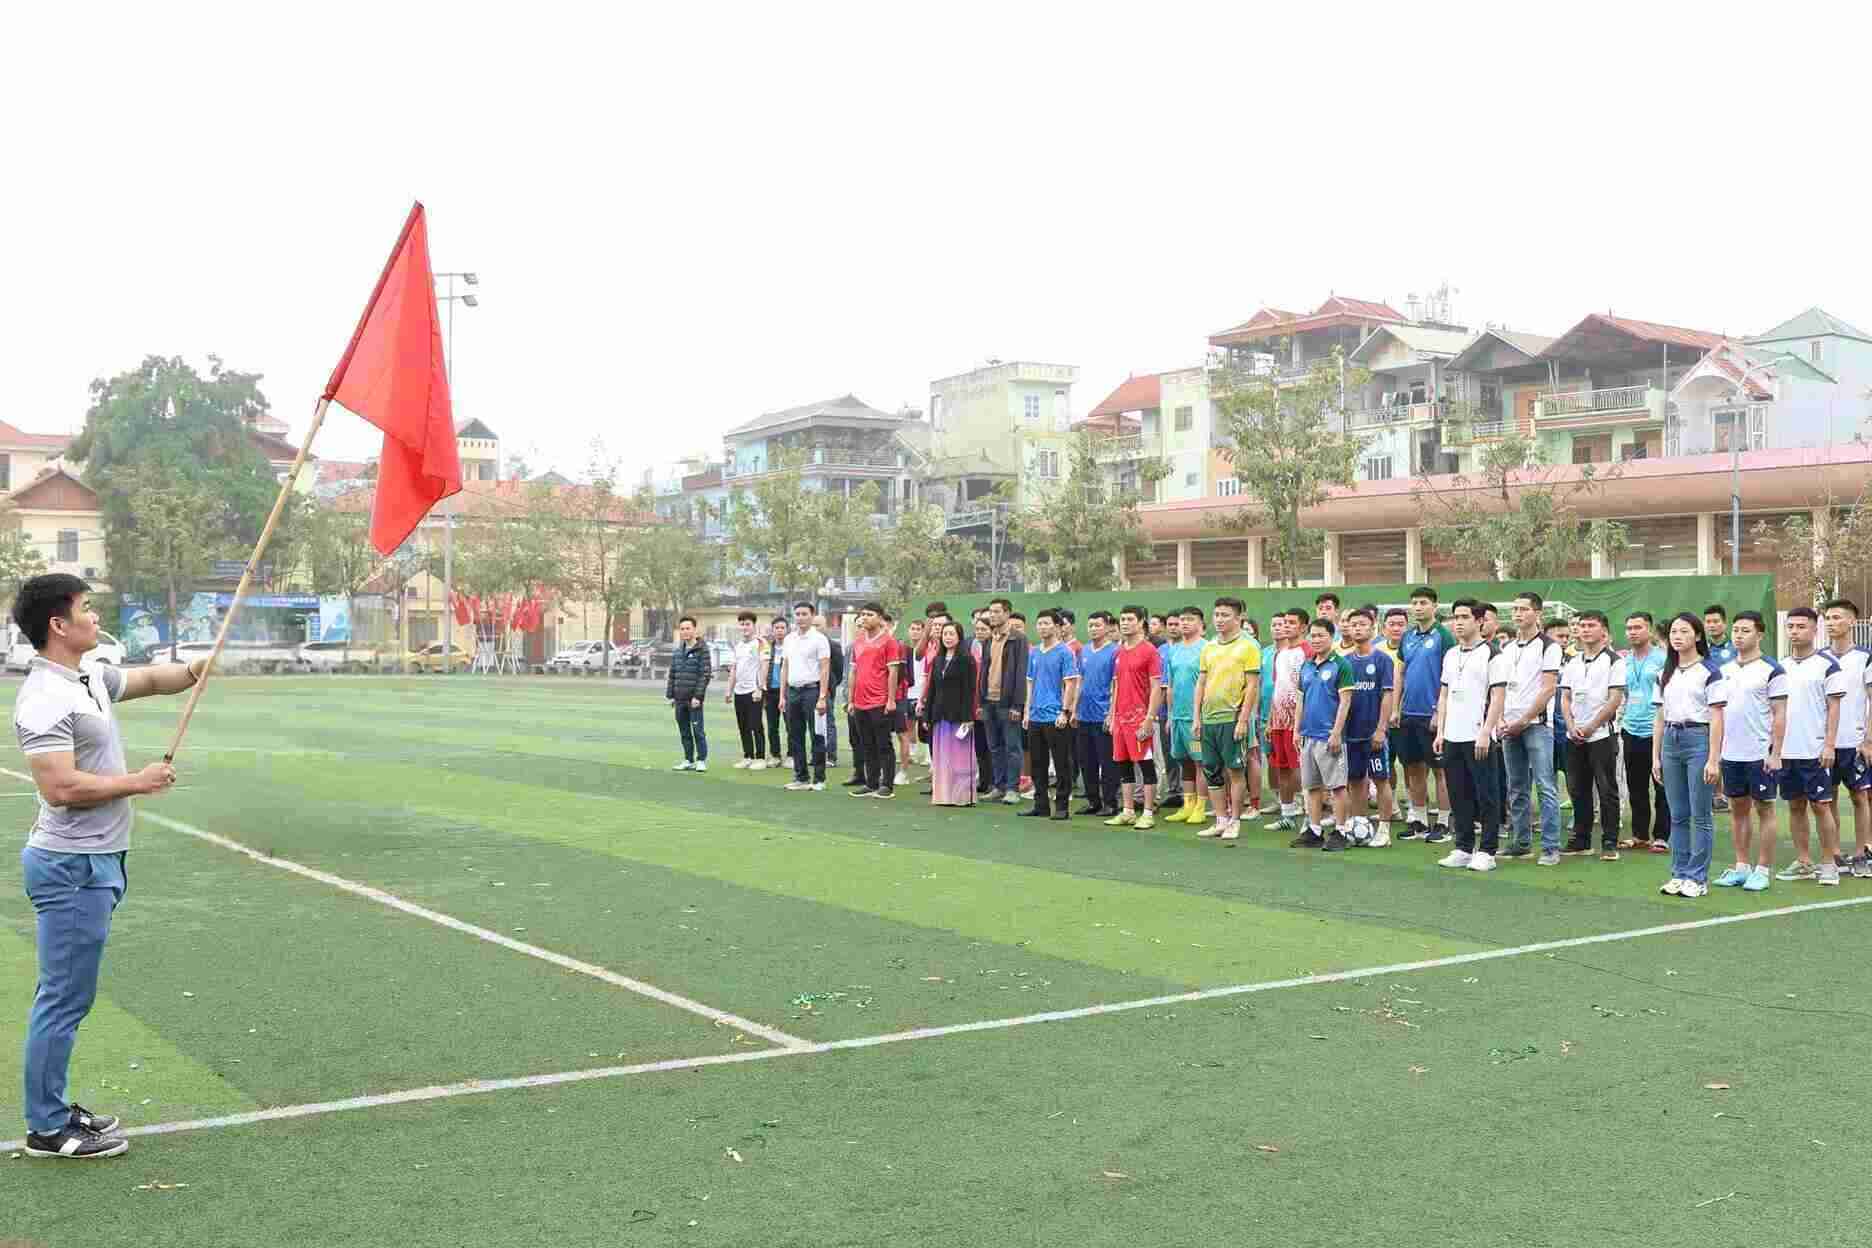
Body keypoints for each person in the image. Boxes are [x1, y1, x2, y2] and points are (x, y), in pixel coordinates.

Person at [13, 573, 208, 1160]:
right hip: (71, 866)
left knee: (66, 994)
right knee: (63, 999)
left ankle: (53, 1108)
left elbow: (149, 679)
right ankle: (48, 1127)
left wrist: (196, 668)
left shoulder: (88, 675)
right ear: (58, 624)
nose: (95, 617)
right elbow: (61, 788)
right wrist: (137, 782)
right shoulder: (44, 696)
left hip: (96, 861)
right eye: (86, 608)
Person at [1712, 611, 1787, 892]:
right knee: (1737, 810)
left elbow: (1780, 714)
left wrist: (1775, 753)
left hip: (1760, 754)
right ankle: (1742, 867)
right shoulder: (1724, 670)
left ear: (1760, 635)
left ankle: (1763, 870)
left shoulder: (1772, 669)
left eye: (1745, 630)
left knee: (1765, 809)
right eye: (1736, 630)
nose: (1739, 635)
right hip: (1731, 753)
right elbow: (1718, 714)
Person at [1651, 613, 1725, 897]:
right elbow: (1660, 717)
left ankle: (1698, 878)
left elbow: (1717, 717)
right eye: (1673, 632)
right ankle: (1679, 874)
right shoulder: (1665, 673)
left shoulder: (1710, 671)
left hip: (1698, 739)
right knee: (1678, 814)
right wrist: (1656, 757)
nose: (1677, 637)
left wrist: (1713, 759)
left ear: (1697, 635)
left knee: (1700, 814)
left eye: (1684, 631)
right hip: (1671, 740)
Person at [1432, 599, 1508, 871]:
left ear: (1479, 621)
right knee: (1458, 793)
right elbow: (1444, 695)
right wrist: (1441, 731)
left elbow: (1498, 696)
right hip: (1452, 735)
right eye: (1456, 617)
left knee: (1486, 794)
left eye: (1465, 617)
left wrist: (1486, 731)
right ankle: (1463, 847)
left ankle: (1487, 851)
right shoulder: (1451, 654)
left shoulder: (1492, 654)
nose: (1459, 622)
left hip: (1479, 735)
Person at [1773, 606, 1846, 885]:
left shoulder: (1828, 665)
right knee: (1795, 806)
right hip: (1786, 751)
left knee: (1821, 806)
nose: (1795, 631)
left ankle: (1828, 864)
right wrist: (1774, 749)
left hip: (1814, 751)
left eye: (1801, 626)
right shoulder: (1780, 667)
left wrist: (1829, 745)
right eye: (1791, 626)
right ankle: (1804, 861)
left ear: (1815, 630)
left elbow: (1834, 708)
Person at [1497, 591, 1562, 862]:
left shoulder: (1550, 646)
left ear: (1537, 613)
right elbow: (1499, 688)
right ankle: (1521, 842)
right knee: (1516, 786)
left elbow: (1548, 689)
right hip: (1508, 727)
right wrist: (1500, 719)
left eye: (1524, 609)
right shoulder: (1507, 648)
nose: (1518, 614)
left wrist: (1523, 720)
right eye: (1515, 609)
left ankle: (1550, 847)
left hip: (1537, 726)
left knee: (1545, 786)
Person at [1191, 597, 1262, 843]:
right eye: (1217, 615)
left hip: (1232, 719)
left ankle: (1235, 821)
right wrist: (1196, 717)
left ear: (1238, 618)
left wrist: (1243, 720)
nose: (1219, 620)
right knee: (1211, 770)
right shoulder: (1209, 647)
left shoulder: (1248, 647)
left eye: (1225, 615)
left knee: (1235, 770)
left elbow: (1252, 686)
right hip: (1208, 719)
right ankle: (1220, 820)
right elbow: (1201, 683)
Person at [1561, 610, 1626, 860]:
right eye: (1582, 625)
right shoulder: (1573, 662)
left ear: (1604, 631)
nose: (1585, 630)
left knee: (1606, 789)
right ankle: (1581, 839)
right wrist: (1571, 726)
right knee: (1577, 790)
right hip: (1574, 736)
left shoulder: (1614, 661)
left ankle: (1609, 842)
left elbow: (1615, 699)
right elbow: (1565, 698)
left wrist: (1591, 726)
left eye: (1591, 625)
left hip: (1601, 735)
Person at [1398, 587, 1455, 843]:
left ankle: (1443, 822)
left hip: (1432, 715)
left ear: (1435, 606)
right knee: (1413, 768)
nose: (1418, 607)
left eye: (1423, 602)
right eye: (1414, 603)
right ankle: (1419, 820)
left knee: (1440, 770)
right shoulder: (1407, 636)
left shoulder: (1444, 636)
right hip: (1408, 713)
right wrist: (1395, 708)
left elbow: (1450, 677)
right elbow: (1400, 672)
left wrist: (1439, 712)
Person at [1820, 598, 1872, 876]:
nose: (1831, 623)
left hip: (1854, 742)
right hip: (1825, 744)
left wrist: (1868, 740)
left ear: (1852, 621)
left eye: (1837, 617)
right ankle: (1835, 853)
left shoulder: (1865, 657)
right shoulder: (1819, 658)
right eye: (1828, 618)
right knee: (1827, 800)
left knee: (1860, 797)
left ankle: (1862, 853)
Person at [1294, 619, 1354, 850]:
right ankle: (1314, 830)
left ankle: (1341, 831)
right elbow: (1300, 700)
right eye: (1313, 636)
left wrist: (1336, 732)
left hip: (1329, 736)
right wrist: (1296, 730)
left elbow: (1345, 702)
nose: (1316, 640)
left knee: (1337, 786)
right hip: (1308, 736)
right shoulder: (1307, 665)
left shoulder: (1341, 665)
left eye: (1321, 636)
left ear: (1331, 637)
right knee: (1311, 786)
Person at [1342, 607, 1397, 846]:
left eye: (1362, 624)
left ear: (1373, 628)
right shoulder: (1345, 662)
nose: (1357, 628)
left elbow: (1387, 695)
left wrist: (1381, 729)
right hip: (1351, 734)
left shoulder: (1382, 660)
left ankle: (1384, 830)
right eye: (1353, 624)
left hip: (1373, 733)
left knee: (1380, 779)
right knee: (1355, 780)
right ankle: (1359, 825)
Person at [1105, 606, 1164, 829]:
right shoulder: (1118, 652)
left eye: (1130, 619)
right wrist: (1112, 716)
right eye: (1122, 619)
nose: (1125, 623)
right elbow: (1116, 686)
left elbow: (1157, 687)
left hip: (1140, 719)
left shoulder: (1150, 651)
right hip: (1120, 719)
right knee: (1123, 766)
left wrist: (1149, 718)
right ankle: (1128, 811)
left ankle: (1147, 813)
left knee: (1146, 766)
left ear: (1141, 623)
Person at [1619, 611, 1672, 853]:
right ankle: (1640, 834)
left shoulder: (1663, 658)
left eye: (1638, 627)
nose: (1633, 632)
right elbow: (1625, 692)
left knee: (1661, 785)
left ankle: (1662, 836)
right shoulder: (1624, 660)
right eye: (1629, 628)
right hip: (1631, 727)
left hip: (1657, 729)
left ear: (1649, 630)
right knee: (1636, 785)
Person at [1020, 609, 1081, 820]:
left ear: (1057, 626)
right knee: (1038, 764)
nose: (1042, 627)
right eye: (1039, 623)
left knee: (1062, 762)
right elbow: (1030, 682)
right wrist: (1027, 711)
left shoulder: (1065, 652)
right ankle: (1041, 805)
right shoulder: (1034, 652)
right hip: (1035, 716)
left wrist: (1065, 711)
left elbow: (1071, 683)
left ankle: (1062, 806)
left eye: (1046, 623)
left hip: (1056, 717)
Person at [845, 602, 902, 800]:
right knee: (866, 744)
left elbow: (893, 672)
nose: (865, 617)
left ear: (879, 618)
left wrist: (891, 700)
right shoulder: (858, 641)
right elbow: (853, 671)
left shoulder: (889, 641)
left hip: (879, 701)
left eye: (870, 614)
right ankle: (871, 783)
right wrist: (851, 700)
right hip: (859, 702)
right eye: (863, 614)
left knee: (883, 744)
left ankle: (887, 785)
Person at [1161, 607, 1211, 827]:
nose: (1184, 623)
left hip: (1196, 718)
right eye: (1182, 620)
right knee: (1183, 761)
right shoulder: (1174, 650)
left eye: (1190, 619)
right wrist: (1170, 715)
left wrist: (1200, 716)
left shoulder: (1207, 648)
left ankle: (1201, 806)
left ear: (1201, 624)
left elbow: (1209, 684)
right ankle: (1188, 804)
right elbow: (1170, 685)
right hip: (1178, 717)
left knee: (1200, 761)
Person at [921, 621, 979, 806]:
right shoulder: (938, 660)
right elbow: (932, 689)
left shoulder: (967, 660)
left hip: (959, 716)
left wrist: (968, 717)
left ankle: (962, 797)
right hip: (939, 716)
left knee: (960, 758)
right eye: (945, 634)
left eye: (951, 634)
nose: (947, 637)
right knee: (942, 757)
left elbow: (970, 690)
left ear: (959, 637)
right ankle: (943, 795)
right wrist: (927, 715)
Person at [979, 598, 1028, 805]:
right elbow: (984, 670)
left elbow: (1021, 673)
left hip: (1008, 703)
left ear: (1007, 614)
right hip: (988, 701)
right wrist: (981, 701)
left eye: (997, 611)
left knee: (1012, 747)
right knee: (995, 747)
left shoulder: (1018, 639)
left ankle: (1012, 789)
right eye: (991, 612)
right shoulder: (988, 640)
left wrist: (1018, 705)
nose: (993, 615)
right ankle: (998, 787)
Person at [779, 602, 831, 791]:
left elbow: (825, 668)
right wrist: (782, 695)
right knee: (795, 735)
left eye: (804, 614)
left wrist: (822, 696)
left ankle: (819, 779)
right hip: (793, 692)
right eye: (797, 614)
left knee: (817, 735)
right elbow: (785, 667)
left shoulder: (819, 639)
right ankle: (801, 777)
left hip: (812, 691)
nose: (800, 618)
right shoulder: (789, 639)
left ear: (812, 615)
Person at [1264, 609, 1308, 832]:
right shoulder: (1279, 654)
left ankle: (1311, 815)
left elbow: (1309, 689)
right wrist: (1270, 720)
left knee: (1301, 769)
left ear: (1303, 627)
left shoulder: (1307, 652)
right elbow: (1277, 688)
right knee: (1282, 767)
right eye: (1285, 622)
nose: (1286, 626)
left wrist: (1303, 721)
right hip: (1279, 721)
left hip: (1299, 722)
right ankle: (1287, 814)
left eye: (1292, 622)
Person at [1073, 612, 1120, 816]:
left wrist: (1111, 713)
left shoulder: (1115, 651)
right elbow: (1079, 681)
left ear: (1108, 627)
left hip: (1103, 716)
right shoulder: (1083, 650)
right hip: (1084, 715)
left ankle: (1110, 803)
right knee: (1086, 761)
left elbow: (1116, 685)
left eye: (1097, 625)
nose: (1093, 629)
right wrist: (1074, 709)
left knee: (1107, 762)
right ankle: (1093, 802)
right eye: (1090, 625)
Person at [666, 616, 712, 771]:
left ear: (694, 630)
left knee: (698, 730)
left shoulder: (702, 650)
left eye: (688, 628)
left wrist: (698, 696)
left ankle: (701, 760)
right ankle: (688, 759)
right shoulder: (678, 651)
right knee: (684, 731)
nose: (685, 631)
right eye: (682, 629)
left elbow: (705, 675)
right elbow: (673, 674)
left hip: (694, 699)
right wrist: (671, 695)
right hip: (679, 698)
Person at [726, 611, 769, 769]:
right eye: (742, 624)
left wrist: (760, 688)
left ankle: (760, 757)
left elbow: (764, 666)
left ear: (754, 625)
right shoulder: (738, 646)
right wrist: (729, 690)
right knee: (743, 725)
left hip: (754, 690)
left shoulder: (761, 643)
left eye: (748, 624)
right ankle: (748, 756)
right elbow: (734, 669)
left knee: (755, 724)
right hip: (739, 692)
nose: (745, 627)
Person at [1151, 613, 1185, 811]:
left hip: (1183, 709)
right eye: (1170, 624)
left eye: (1177, 624)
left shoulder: (1189, 648)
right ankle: (1174, 790)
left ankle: (1190, 793)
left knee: (1186, 754)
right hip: (1163, 711)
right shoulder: (1160, 650)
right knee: (1168, 753)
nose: (1173, 627)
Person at [813, 614, 845, 768]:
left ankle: (831, 756)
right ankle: (816, 755)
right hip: (809, 688)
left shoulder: (833, 645)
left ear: (825, 626)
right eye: (813, 625)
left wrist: (830, 686)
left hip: (826, 690)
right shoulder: (807, 643)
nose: (815, 628)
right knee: (813, 724)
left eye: (818, 625)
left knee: (828, 723)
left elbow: (838, 670)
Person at [969, 611, 994, 795]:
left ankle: (994, 782)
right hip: (973, 704)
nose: (980, 632)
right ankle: (984, 780)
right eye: (977, 629)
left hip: (989, 704)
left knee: (992, 744)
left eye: (984, 629)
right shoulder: (970, 648)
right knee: (980, 746)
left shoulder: (995, 649)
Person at [763, 617, 788, 768]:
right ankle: (775, 755)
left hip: (787, 692)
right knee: (772, 726)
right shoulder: (767, 648)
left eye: (782, 628)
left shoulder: (791, 647)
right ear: (772, 630)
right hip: (770, 692)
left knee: (791, 725)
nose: (779, 631)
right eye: (777, 628)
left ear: (787, 630)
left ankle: (792, 755)